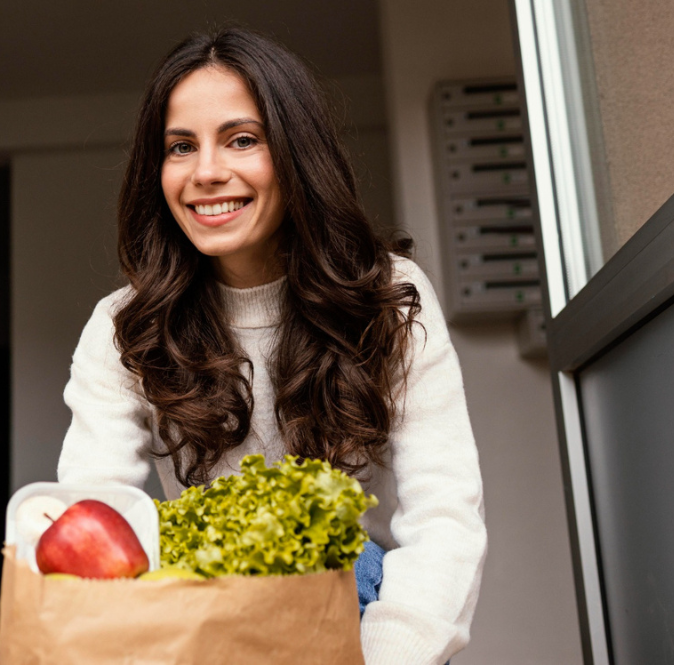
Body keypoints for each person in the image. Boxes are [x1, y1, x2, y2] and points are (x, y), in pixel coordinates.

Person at [56, 27, 485, 665]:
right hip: (199, 619)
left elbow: (444, 514)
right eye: (180, 146)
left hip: (354, 613)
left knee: (363, 564)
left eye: (242, 139)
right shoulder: (125, 324)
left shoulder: (386, 294)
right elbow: (97, 509)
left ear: (295, 153)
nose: (206, 172)